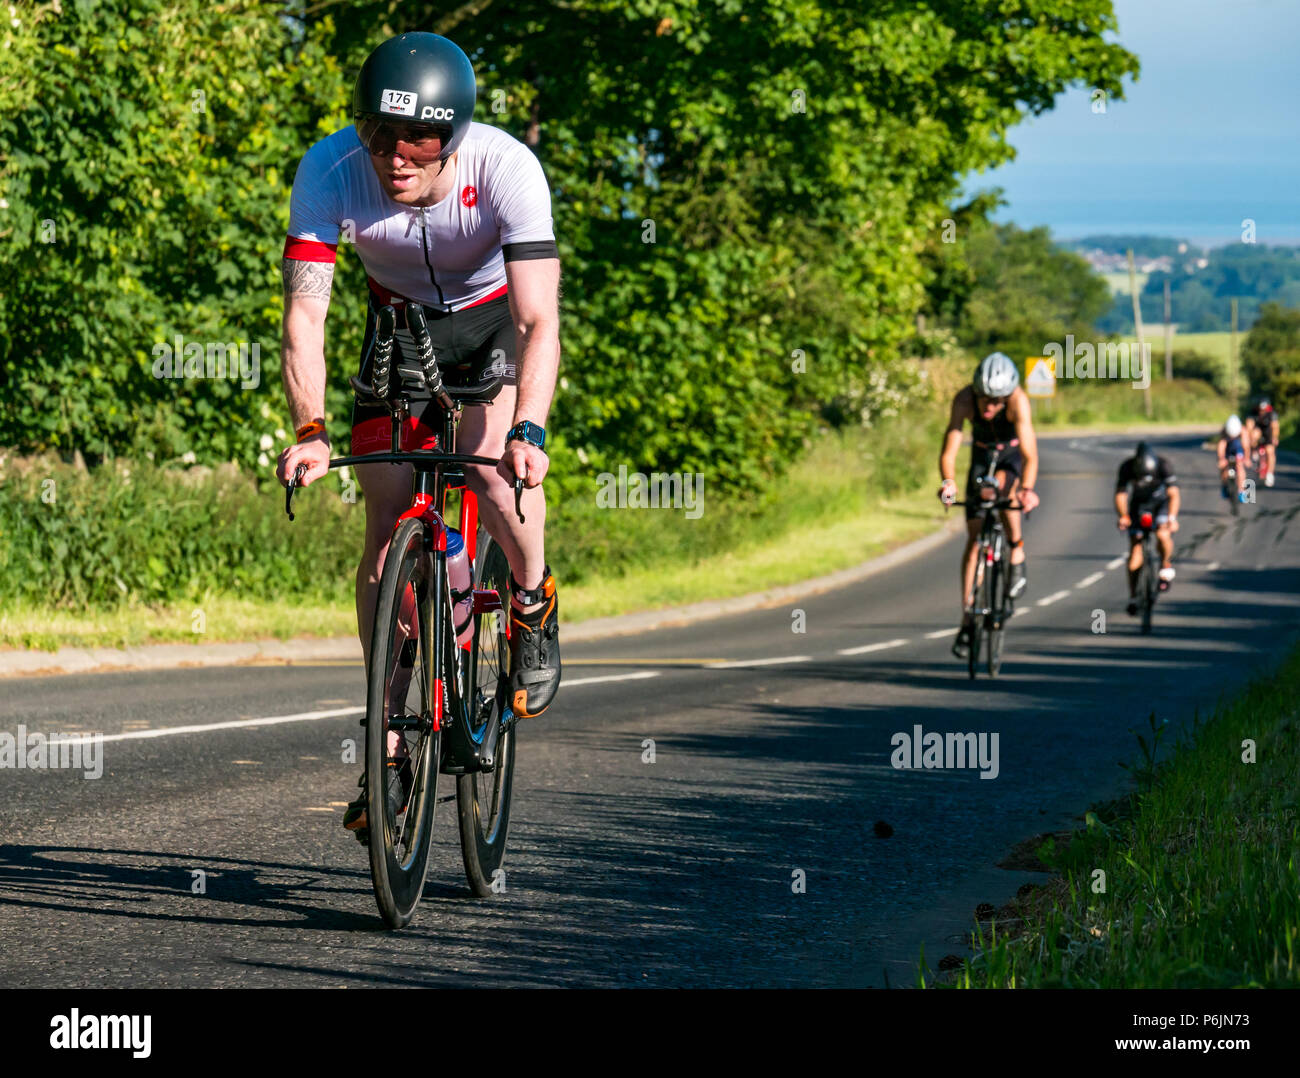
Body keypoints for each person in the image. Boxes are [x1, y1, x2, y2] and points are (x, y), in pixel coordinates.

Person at [273, 33, 563, 837]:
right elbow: (307, 314)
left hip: (488, 327)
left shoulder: (506, 169)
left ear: (456, 136)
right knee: (386, 512)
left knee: (495, 478)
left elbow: (541, 319)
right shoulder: (329, 168)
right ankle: (391, 740)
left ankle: (533, 602)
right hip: (395, 330)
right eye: (379, 134)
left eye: (421, 138)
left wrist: (529, 427)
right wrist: (311, 429)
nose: (397, 156)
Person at [938, 352, 1040, 658]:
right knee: (974, 536)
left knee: (1006, 495)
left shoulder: (1018, 401)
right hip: (981, 457)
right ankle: (968, 615)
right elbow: (950, 449)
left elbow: (1030, 455)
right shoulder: (964, 400)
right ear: (976, 392)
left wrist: (1027, 489)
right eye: (986, 399)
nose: (991, 406)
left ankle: (1017, 549)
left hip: (1009, 457)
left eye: (998, 400)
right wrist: (948, 482)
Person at [1114, 442, 1180, 615]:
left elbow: (1173, 494)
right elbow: (1121, 494)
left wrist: (1172, 518)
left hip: (1160, 504)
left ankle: (1165, 564)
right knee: (1135, 548)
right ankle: (1134, 596)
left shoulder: (1164, 465)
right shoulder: (1127, 467)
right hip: (1138, 506)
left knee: (1162, 534)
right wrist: (1123, 516)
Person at [1245, 398, 1279, 488]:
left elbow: (1275, 427)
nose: (1262, 412)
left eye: (1264, 410)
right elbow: (1249, 426)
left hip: (1268, 433)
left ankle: (1270, 474)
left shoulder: (1272, 414)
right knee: (1254, 434)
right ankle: (1254, 451)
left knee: (1270, 452)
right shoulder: (1253, 413)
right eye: (1260, 410)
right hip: (1258, 432)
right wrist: (1250, 439)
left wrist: (1275, 438)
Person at [1217, 414, 1248, 503]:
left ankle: (1241, 490)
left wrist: (1246, 458)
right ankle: (1224, 484)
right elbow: (1221, 445)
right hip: (1227, 450)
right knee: (1223, 468)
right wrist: (1221, 458)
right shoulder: (1224, 431)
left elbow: (1246, 446)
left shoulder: (1243, 431)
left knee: (1240, 466)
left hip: (1238, 450)